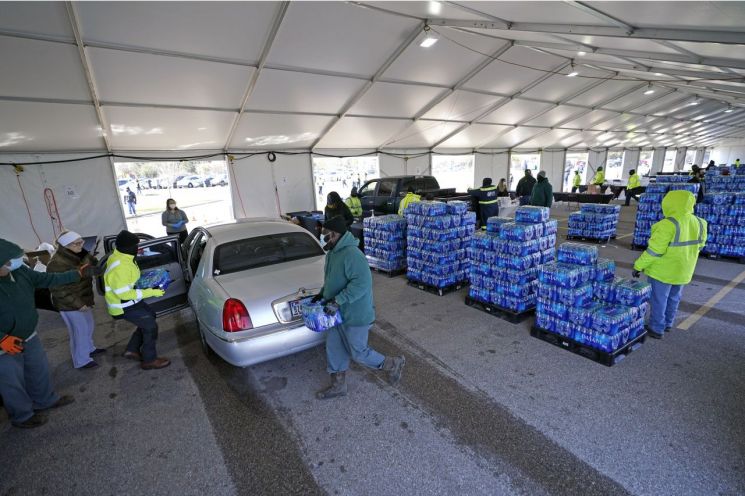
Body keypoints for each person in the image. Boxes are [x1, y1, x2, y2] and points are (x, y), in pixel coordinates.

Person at [0, 238, 97, 428]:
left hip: (28, 334)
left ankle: (45, 400)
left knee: (39, 369)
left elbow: (47, 279)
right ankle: (22, 416)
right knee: (11, 381)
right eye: (10, 261)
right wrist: (1, 339)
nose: (17, 263)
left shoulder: (19, 271)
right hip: (4, 345)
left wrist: (76, 274)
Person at [312, 217, 405, 400]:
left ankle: (393, 364)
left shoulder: (352, 254)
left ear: (335, 234)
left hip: (355, 314)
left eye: (325, 235)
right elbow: (331, 280)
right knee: (334, 347)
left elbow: (362, 283)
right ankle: (338, 386)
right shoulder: (332, 253)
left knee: (358, 352)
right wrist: (322, 294)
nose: (323, 237)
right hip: (336, 313)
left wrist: (338, 300)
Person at [632, 190, 707, 339]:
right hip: (684, 269)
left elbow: (654, 251)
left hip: (663, 271)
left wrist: (638, 266)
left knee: (659, 299)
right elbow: (700, 246)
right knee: (674, 297)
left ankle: (656, 328)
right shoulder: (700, 222)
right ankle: (667, 323)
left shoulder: (667, 224)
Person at [104, 230, 170, 370]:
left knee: (150, 316)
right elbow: (124, 294)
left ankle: (132, 350)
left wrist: (147, 280)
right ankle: (149, 360)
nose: (137, 248)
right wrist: (151, 291)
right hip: (124, 305)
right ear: (128, 247)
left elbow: (128, 281)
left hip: (131, 302)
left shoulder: (122, 257)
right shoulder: (120, 266)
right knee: (150, 327)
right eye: (135, 246)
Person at [47, 231, 105, 369]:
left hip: (84, 297)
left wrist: (99, 267)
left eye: (82, 242)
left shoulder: (79, 252)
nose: (81, 245)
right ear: (66, 245)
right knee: (79, 331)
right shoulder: (56, 263)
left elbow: (93, 264)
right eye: (77, 243)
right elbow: (58, 289)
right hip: (69, 303)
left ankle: (90, 349)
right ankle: (81, 360)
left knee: (88, 326)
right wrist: (78, 305)